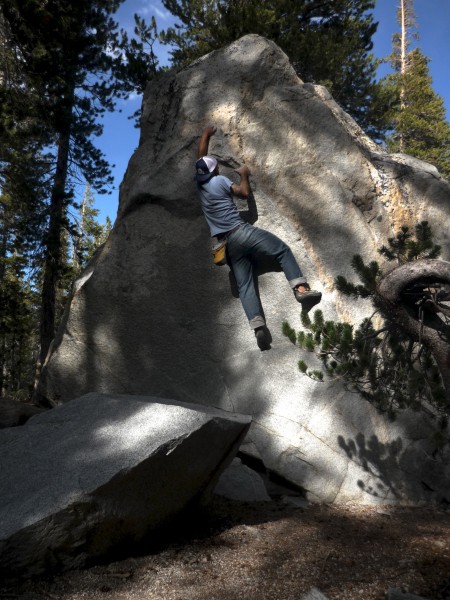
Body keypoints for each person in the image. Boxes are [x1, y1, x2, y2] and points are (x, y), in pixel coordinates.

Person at [195, 125, 321, 349]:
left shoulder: (201, 185)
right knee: (282, 250)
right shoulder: (220, 181)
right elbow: (243, 193)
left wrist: (205, 136)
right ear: (214, 171)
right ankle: (301, 290)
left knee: (245, 286)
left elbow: (201, 159)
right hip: (242, 232)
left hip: (226, 245)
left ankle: (258, 327)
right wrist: (243, 175)